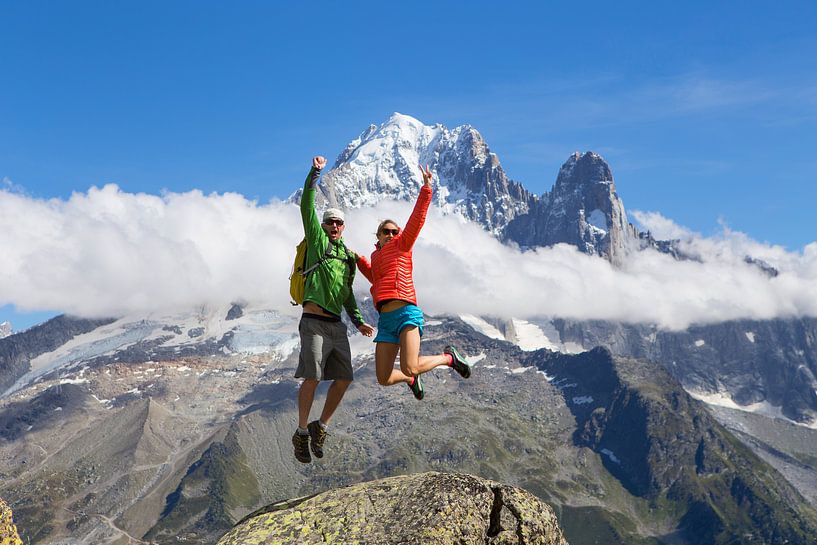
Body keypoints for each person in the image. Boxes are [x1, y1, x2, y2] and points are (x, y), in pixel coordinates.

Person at [356, 164, 472, 400]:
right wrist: (356, 259)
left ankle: (449, 358)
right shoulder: (376, 258)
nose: (391, 235)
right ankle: (410, 380)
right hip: (386, 320)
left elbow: (417, 219)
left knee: (410, 365)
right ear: (377, 236)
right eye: (386, 231)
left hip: (406, 312)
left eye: (394, 231)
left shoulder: (402, 246)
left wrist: (426, 188)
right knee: (384, 378)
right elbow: (375, 279)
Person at [292, 155, 374, 464]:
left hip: (337, 325)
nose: (335, 226)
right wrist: (314, 172)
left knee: (344, 379)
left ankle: (320, 426)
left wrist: (359, 322)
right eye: (330, 222)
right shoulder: (317, 241)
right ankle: (301, 433)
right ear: (323, 225)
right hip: (313, 322)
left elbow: (347, 294)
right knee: (312, 378)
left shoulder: (347, 257)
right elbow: (306, 205)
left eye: (339, 222)